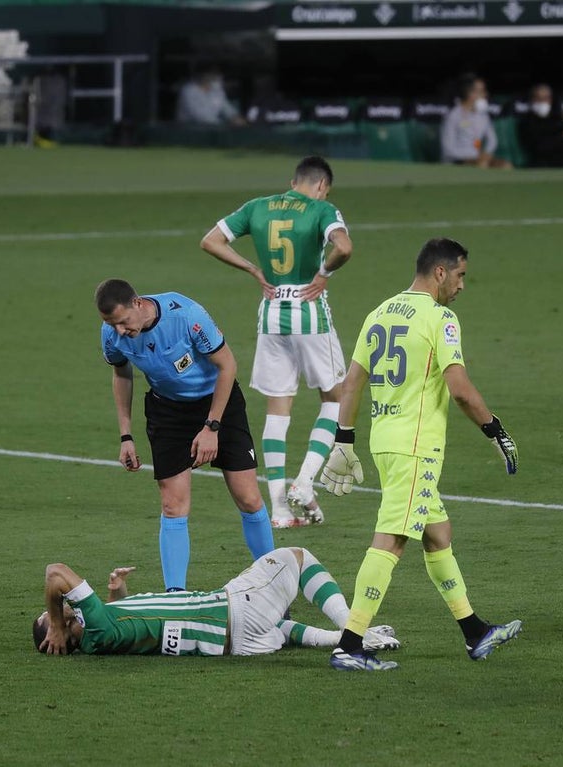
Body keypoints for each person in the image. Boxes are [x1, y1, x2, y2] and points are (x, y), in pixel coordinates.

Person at [317, 237, 522, 671]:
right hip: (415, 447)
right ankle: (349, 645)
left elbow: (352, 382)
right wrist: (496, 431)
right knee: (391, 541)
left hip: (386, 441)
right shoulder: (439, 318)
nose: (463, 286)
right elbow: (460, 389)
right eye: (461, 275)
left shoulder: (380, 312)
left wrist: (344, 439)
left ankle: (475, 632)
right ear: (441, 272)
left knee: (437, 533)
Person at [200, 156, 354, 528]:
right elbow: (344, 247)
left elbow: (210, 241)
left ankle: (280, 511)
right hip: (309, 311)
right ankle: (304, 481)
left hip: (270, 314)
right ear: (321, 185)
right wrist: (324, 272)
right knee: (336, 397)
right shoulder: (322, 208)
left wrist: (253, 268)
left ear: (293, 180)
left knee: (276, 409)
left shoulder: (258, 207)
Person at [96, 278, 275, 591]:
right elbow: (121, 373)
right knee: (172, 505)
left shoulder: (187, 316)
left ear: (138, 304)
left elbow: (228, 366)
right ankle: (175, 596)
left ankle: (276, 583)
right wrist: (126, 435)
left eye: (123, 321)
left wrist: (212, 427)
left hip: (218, 402)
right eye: (113, 325)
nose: (120, 331)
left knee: (248, 497)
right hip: (168, 412)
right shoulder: (111, 334)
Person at [33, 547, 401, 658]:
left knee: (282, 627)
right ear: (57, 631)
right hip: (234, 611)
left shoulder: (100, 632)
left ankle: (339, 640)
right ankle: (354, 633)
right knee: (298, 557)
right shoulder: (95, 626)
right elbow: (55, 572)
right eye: (51, 614)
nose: (60, 606)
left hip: (241, 644)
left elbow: (136, 623)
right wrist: (57, 622)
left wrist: (117, 595)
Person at [440, 74, 512, 169]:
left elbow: (492, 140)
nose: (485, 94)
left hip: (478, 158)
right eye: (481, 91)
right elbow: (447, 150)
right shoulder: (453, 115)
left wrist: (486, 153)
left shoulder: (483, 116)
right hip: (456, 161)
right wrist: (472, 157)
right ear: (470, 94)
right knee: (482, 165)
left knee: (505, 165)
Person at [175, 67, 246, 127]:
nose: (219, 80)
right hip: (189, 129)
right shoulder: (189, 91)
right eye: (214, 77)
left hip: (211, 129)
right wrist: (225, 124)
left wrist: (235, 117)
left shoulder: (217, 91)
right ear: (204, 77)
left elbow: (226, 107)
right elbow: (201, 117)